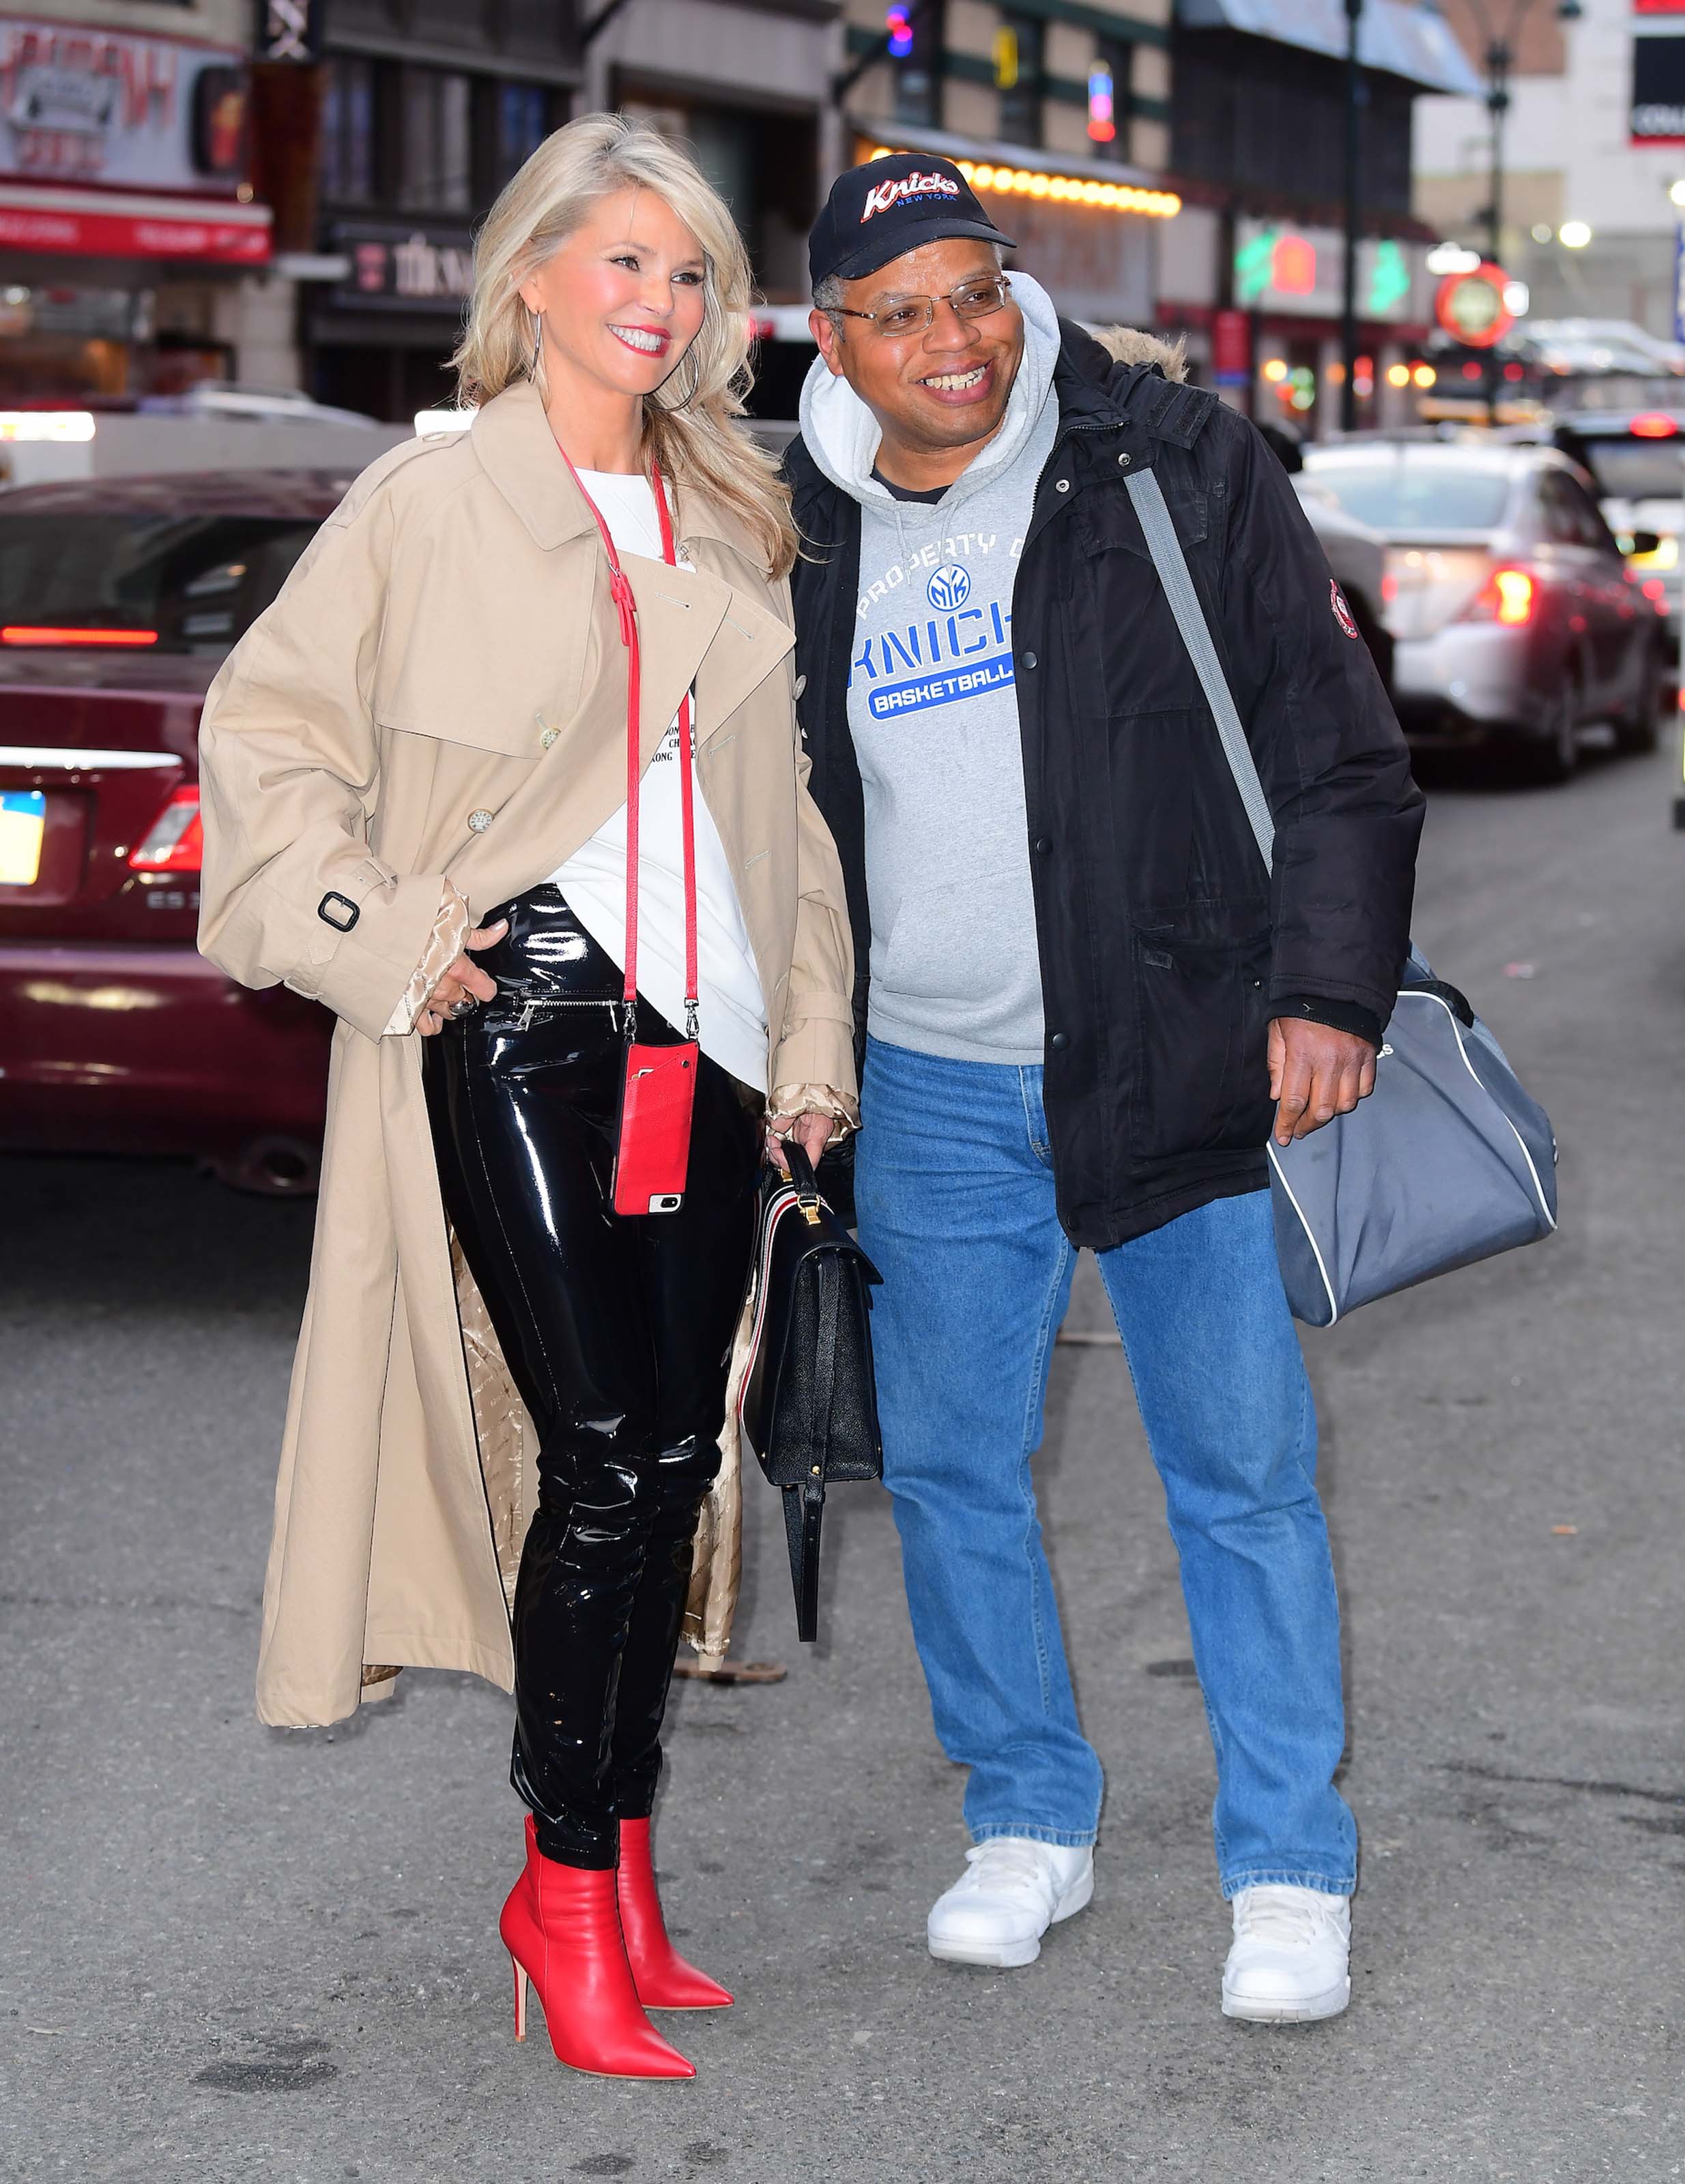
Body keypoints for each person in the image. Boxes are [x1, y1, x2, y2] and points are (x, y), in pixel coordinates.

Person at [197, 115, 856, 2080]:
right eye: (625, 262)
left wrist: (811, 1040)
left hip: (716, 1036)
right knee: (607, 1457)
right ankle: (559, 1898)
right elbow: (268, 735)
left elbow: (788, 825)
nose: (659, 302)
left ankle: (619, 1866)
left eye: (689, 272)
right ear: (535, 276)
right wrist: (387, 934)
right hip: (521, 1015)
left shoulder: (731, 512)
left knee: (667, 1465)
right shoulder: (431, 504)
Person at [783, 154, 1423, 2022]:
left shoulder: (1167, 459)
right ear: (833, 340)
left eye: (977, 290)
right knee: (963, 1472)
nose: (953, 339)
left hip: (1182, 1057)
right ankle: (1028, 1816)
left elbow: (1343, 756)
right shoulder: (800, 522)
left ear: (1019, 291)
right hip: (925, 1086)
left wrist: (1323, 990)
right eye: (900, 310)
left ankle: (1291, 1864)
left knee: (1240, 1477)